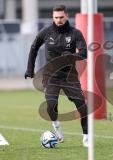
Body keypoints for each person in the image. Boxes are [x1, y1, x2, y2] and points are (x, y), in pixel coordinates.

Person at [24, 5, 88, 147]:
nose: (58, 20)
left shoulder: (75, 33)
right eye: (56, 17)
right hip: (51, 75)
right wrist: (30, 69)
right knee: (51, 105)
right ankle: (56, 125)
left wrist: (71, 56)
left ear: (66, 16)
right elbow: (33, 49)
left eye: (61, 17)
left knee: (82, 107)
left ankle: (86, 137)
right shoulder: (46, 32)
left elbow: (84, 52)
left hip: (69, 76)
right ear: (53, 17)